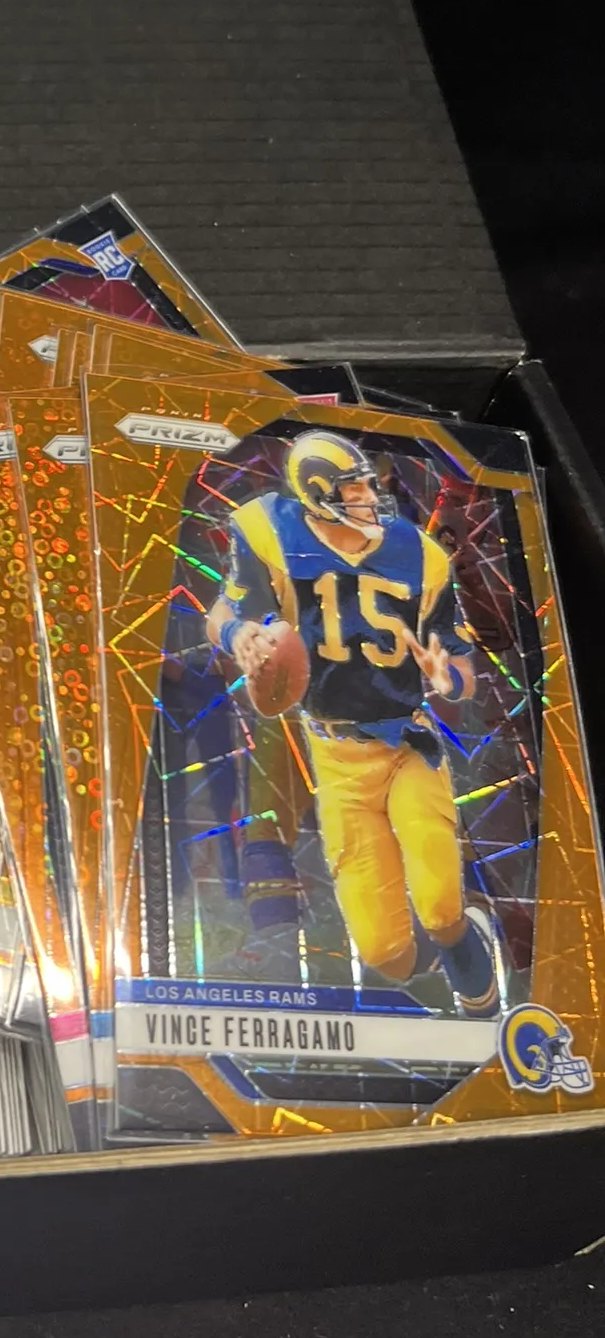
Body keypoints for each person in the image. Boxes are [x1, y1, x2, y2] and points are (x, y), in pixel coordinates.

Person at [207, 430, 499, 1017]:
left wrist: (446, 678)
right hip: (335, 756)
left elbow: (463, 669)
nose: (369, 495)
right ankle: (442, 968)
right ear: (316, 495)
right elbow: (225, 611)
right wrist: (240, 635)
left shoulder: (420, 554)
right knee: (385, 952)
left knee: (440, 908)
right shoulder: (268, 531)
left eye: (367, 483)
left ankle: (480, 993)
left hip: (405, 743)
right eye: (354, 488)